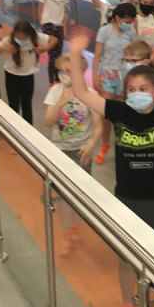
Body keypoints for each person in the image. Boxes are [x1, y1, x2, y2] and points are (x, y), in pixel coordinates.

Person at [69, 29, 154, 307]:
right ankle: (129, 305)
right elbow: (82, 93)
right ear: (125, 93)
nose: (136, 93)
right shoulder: (118, 111)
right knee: (126, 260)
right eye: (131, 89)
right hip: (126, 198)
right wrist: (74, 55)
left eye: (143, 88)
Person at [44, 54, 103, 255]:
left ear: (81, 72)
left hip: (81, 152)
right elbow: (48, 123)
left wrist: (92, 144)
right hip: (59, 149)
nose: (64, 75)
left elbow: (98, 126)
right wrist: (60, 102)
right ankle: (67, 234)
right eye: (62, 71)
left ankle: (75, 228)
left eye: (69, 71)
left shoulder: (90, 94)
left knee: (79, 194)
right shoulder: (55, 91)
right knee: (63, 195)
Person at [92, 3, 138, 164]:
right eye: (127, 21)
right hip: (107, 73)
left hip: (125, 74)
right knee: (106, 112)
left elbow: (136, 53)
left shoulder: (131, 32)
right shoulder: (104, 31)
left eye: (131, 21)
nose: (129, 24)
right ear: (117, 18)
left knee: (123, 112)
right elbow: (97, 56)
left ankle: (122, 143)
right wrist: (94, 76)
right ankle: (105, 144)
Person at [0, 20, 55, 124]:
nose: (21, 40)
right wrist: (3, 48)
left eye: (24, 38)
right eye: (18, 37)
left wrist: (45, 48)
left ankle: (28, 130)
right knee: (13, 105)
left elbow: (54, 39)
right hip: (11, 76)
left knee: (27, 105)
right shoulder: (8, 40)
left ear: (29, 34)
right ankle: (13, 128)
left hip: (28, 76)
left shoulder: (35, 37)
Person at [38, 0, 68, 85]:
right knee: (51, 54)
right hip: (48, 25)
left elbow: (65, 12)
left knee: (58, 54)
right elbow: (40, 9)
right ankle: (51, 80)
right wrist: (42, 25)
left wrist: (65, 29)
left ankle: (57, 77)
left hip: (59, 25)